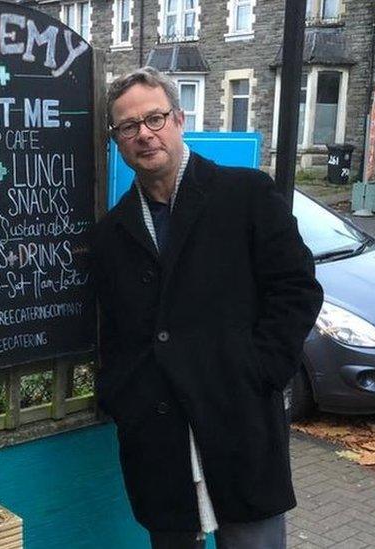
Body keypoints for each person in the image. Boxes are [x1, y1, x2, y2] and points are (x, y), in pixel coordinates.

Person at [89, 67, 324, 549]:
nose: (144, 135)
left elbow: (296, 288)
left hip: (237, 417)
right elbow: (113, 331)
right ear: (116, 140)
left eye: (153, 118)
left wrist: (260, 372)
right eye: (128, 127)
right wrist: (121, 395)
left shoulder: (245, 195)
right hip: (157, 432)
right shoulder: (112, 233)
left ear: (177, 120)